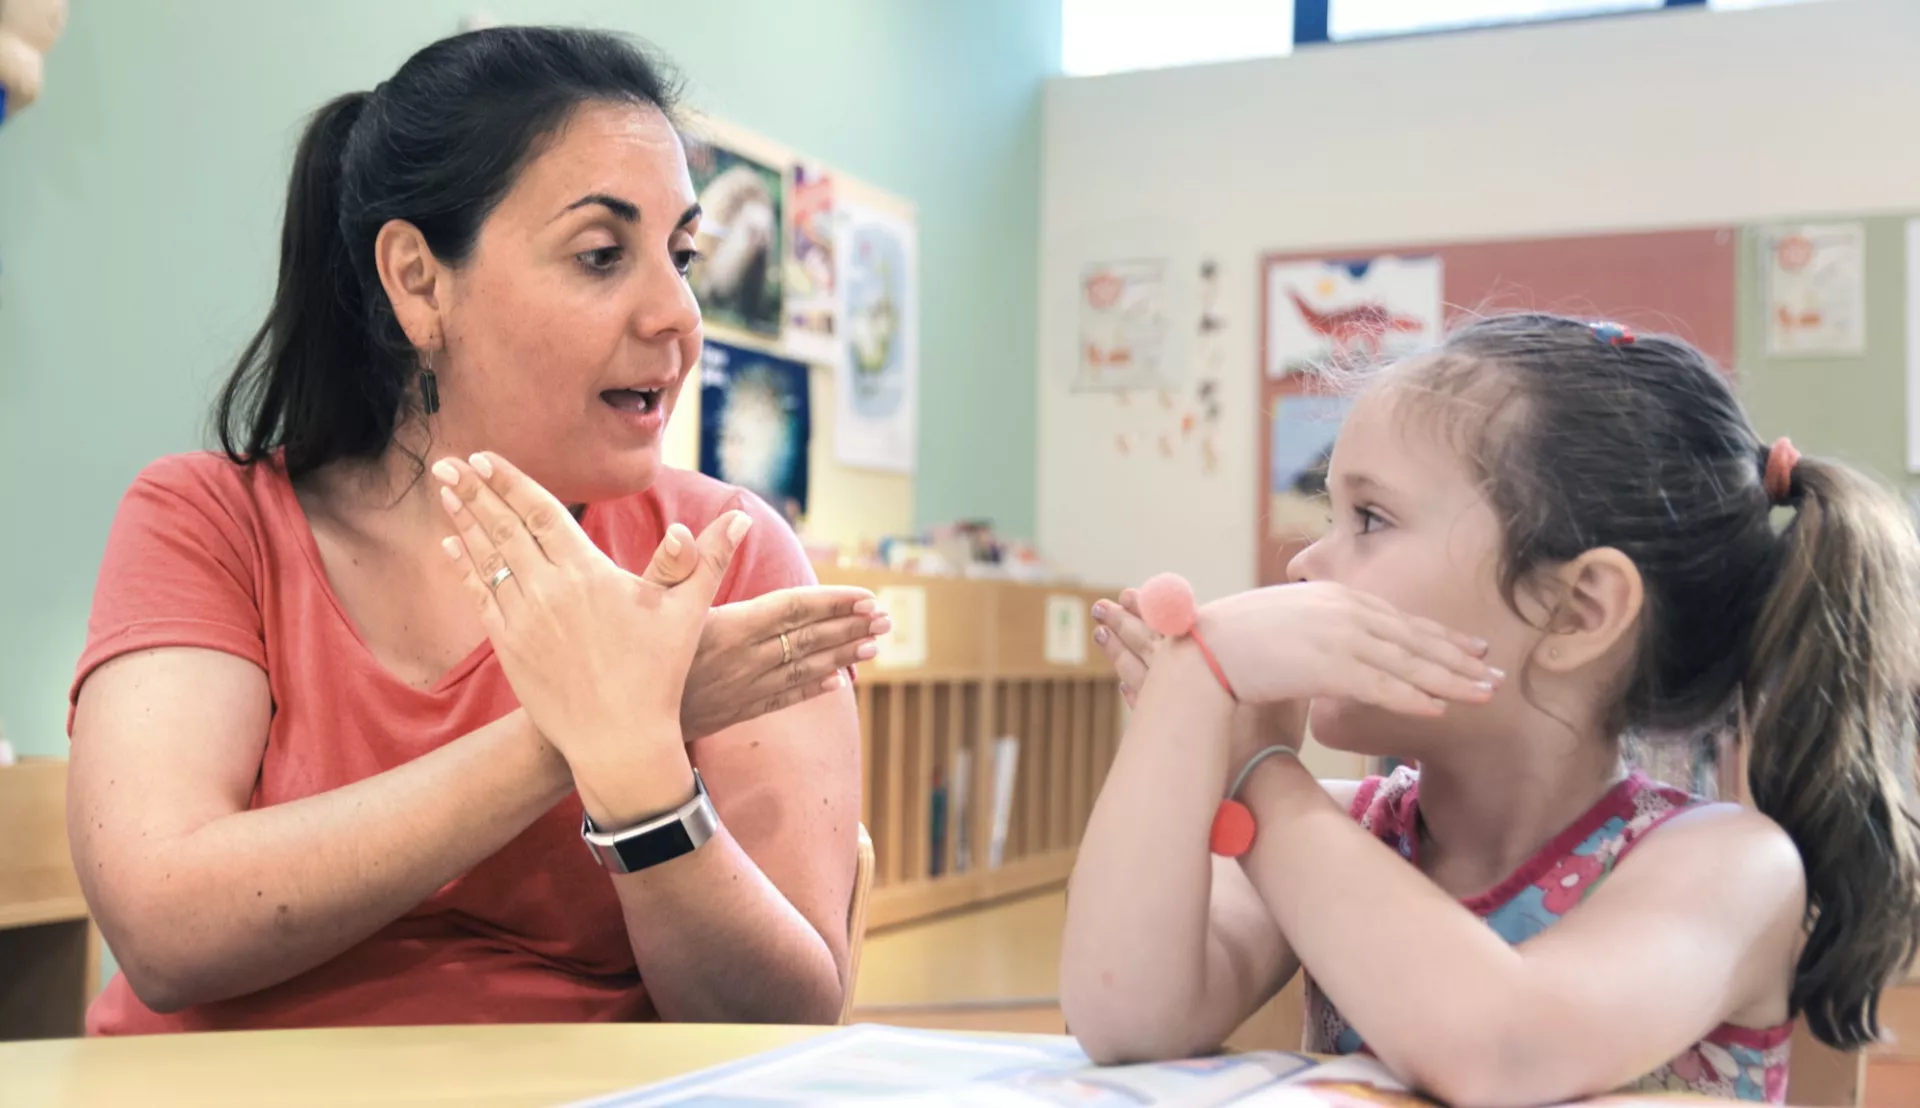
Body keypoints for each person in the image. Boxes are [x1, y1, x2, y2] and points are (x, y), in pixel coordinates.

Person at [67, 26, 887, 1034]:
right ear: (418, 281)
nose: (679, 315)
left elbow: (784, 1015)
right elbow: (163, 930)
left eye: (683, 257)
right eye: (601, 255)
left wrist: (642, 785)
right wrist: (595, 730)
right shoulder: (208, 520)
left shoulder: (726, 551)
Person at [1066, 313, 1920, 1105]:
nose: (1303, 566)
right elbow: (1127, 1022)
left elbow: (1499, 1049)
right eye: (1331, 513)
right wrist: (1188, 703)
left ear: (1576, 611)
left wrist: (1259, 771)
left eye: (1371, 518)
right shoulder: (1341, 829)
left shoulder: (1730, 866)